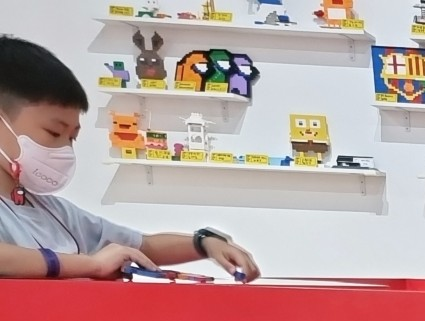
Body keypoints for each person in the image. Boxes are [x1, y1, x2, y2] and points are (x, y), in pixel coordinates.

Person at [0, 36, 260, 281]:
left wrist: (202, 242)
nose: (64, 149)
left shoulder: (55, 212)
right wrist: (91, 265)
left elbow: (142, 245)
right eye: (54, 132)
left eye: (72, 138)